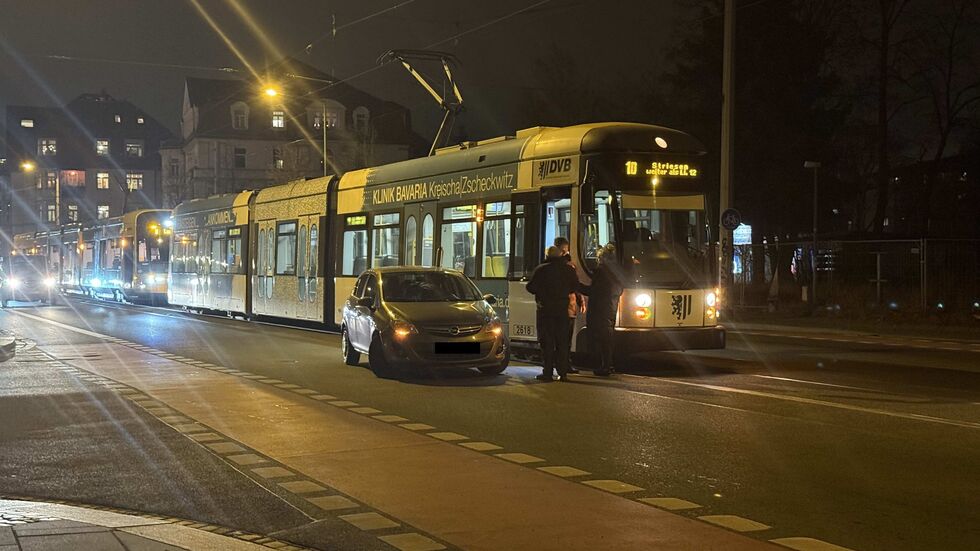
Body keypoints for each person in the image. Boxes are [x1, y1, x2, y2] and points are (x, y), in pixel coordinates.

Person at [526, 245, 580, 382]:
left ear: (547, 255)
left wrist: (542, 293)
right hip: (562, 310)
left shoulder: (541, 269)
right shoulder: (568, 269)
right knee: (562, 342)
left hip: (546, 310)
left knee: (547, 342)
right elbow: (575, 286)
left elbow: (530, 287)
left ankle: (548, 372)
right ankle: (563, 373)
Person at [579, 244, 625, 376]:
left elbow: (594, 291)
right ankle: (608, 364)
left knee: (601, 338)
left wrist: (577, 285)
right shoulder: (618, 272)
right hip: (611, 308)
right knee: (608, 338)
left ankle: (604, 366)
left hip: (599, 309)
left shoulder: (601, 272)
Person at [553, 236, 583, 374]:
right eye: (564, 250)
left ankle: (555, 366)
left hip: (560, 309)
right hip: (567, 309)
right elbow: (575, 286)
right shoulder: (569, 267)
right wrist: (580, 300)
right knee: (564, 339)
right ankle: (563, 366)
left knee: (558, 339)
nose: (566, 252)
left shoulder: (546, 266)